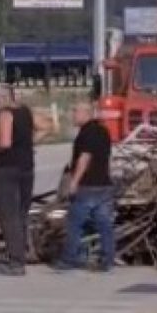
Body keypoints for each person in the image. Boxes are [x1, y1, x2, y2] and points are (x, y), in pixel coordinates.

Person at [55, 101, 115, 272]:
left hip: (87, 185)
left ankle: (70, 258)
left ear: (86, 113)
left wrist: (74, 182)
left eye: (75, 111)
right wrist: (108, 177)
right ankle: (107, 258)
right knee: (104, 224)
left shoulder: (87, 133)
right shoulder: (103, 131)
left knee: (75, 223)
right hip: (104, 185)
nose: (73, 115)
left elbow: (84, 158)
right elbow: (107, 158)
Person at [0, 84, 36, 276]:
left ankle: (16, 261)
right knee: (21, 212)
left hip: (8, 169)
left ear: (1, 98)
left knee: (6, 211)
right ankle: (23, 251)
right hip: (26, 168)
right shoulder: (25, 112)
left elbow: (5, 142)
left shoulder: (5, 114)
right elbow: (47, 127)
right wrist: (27, 144)